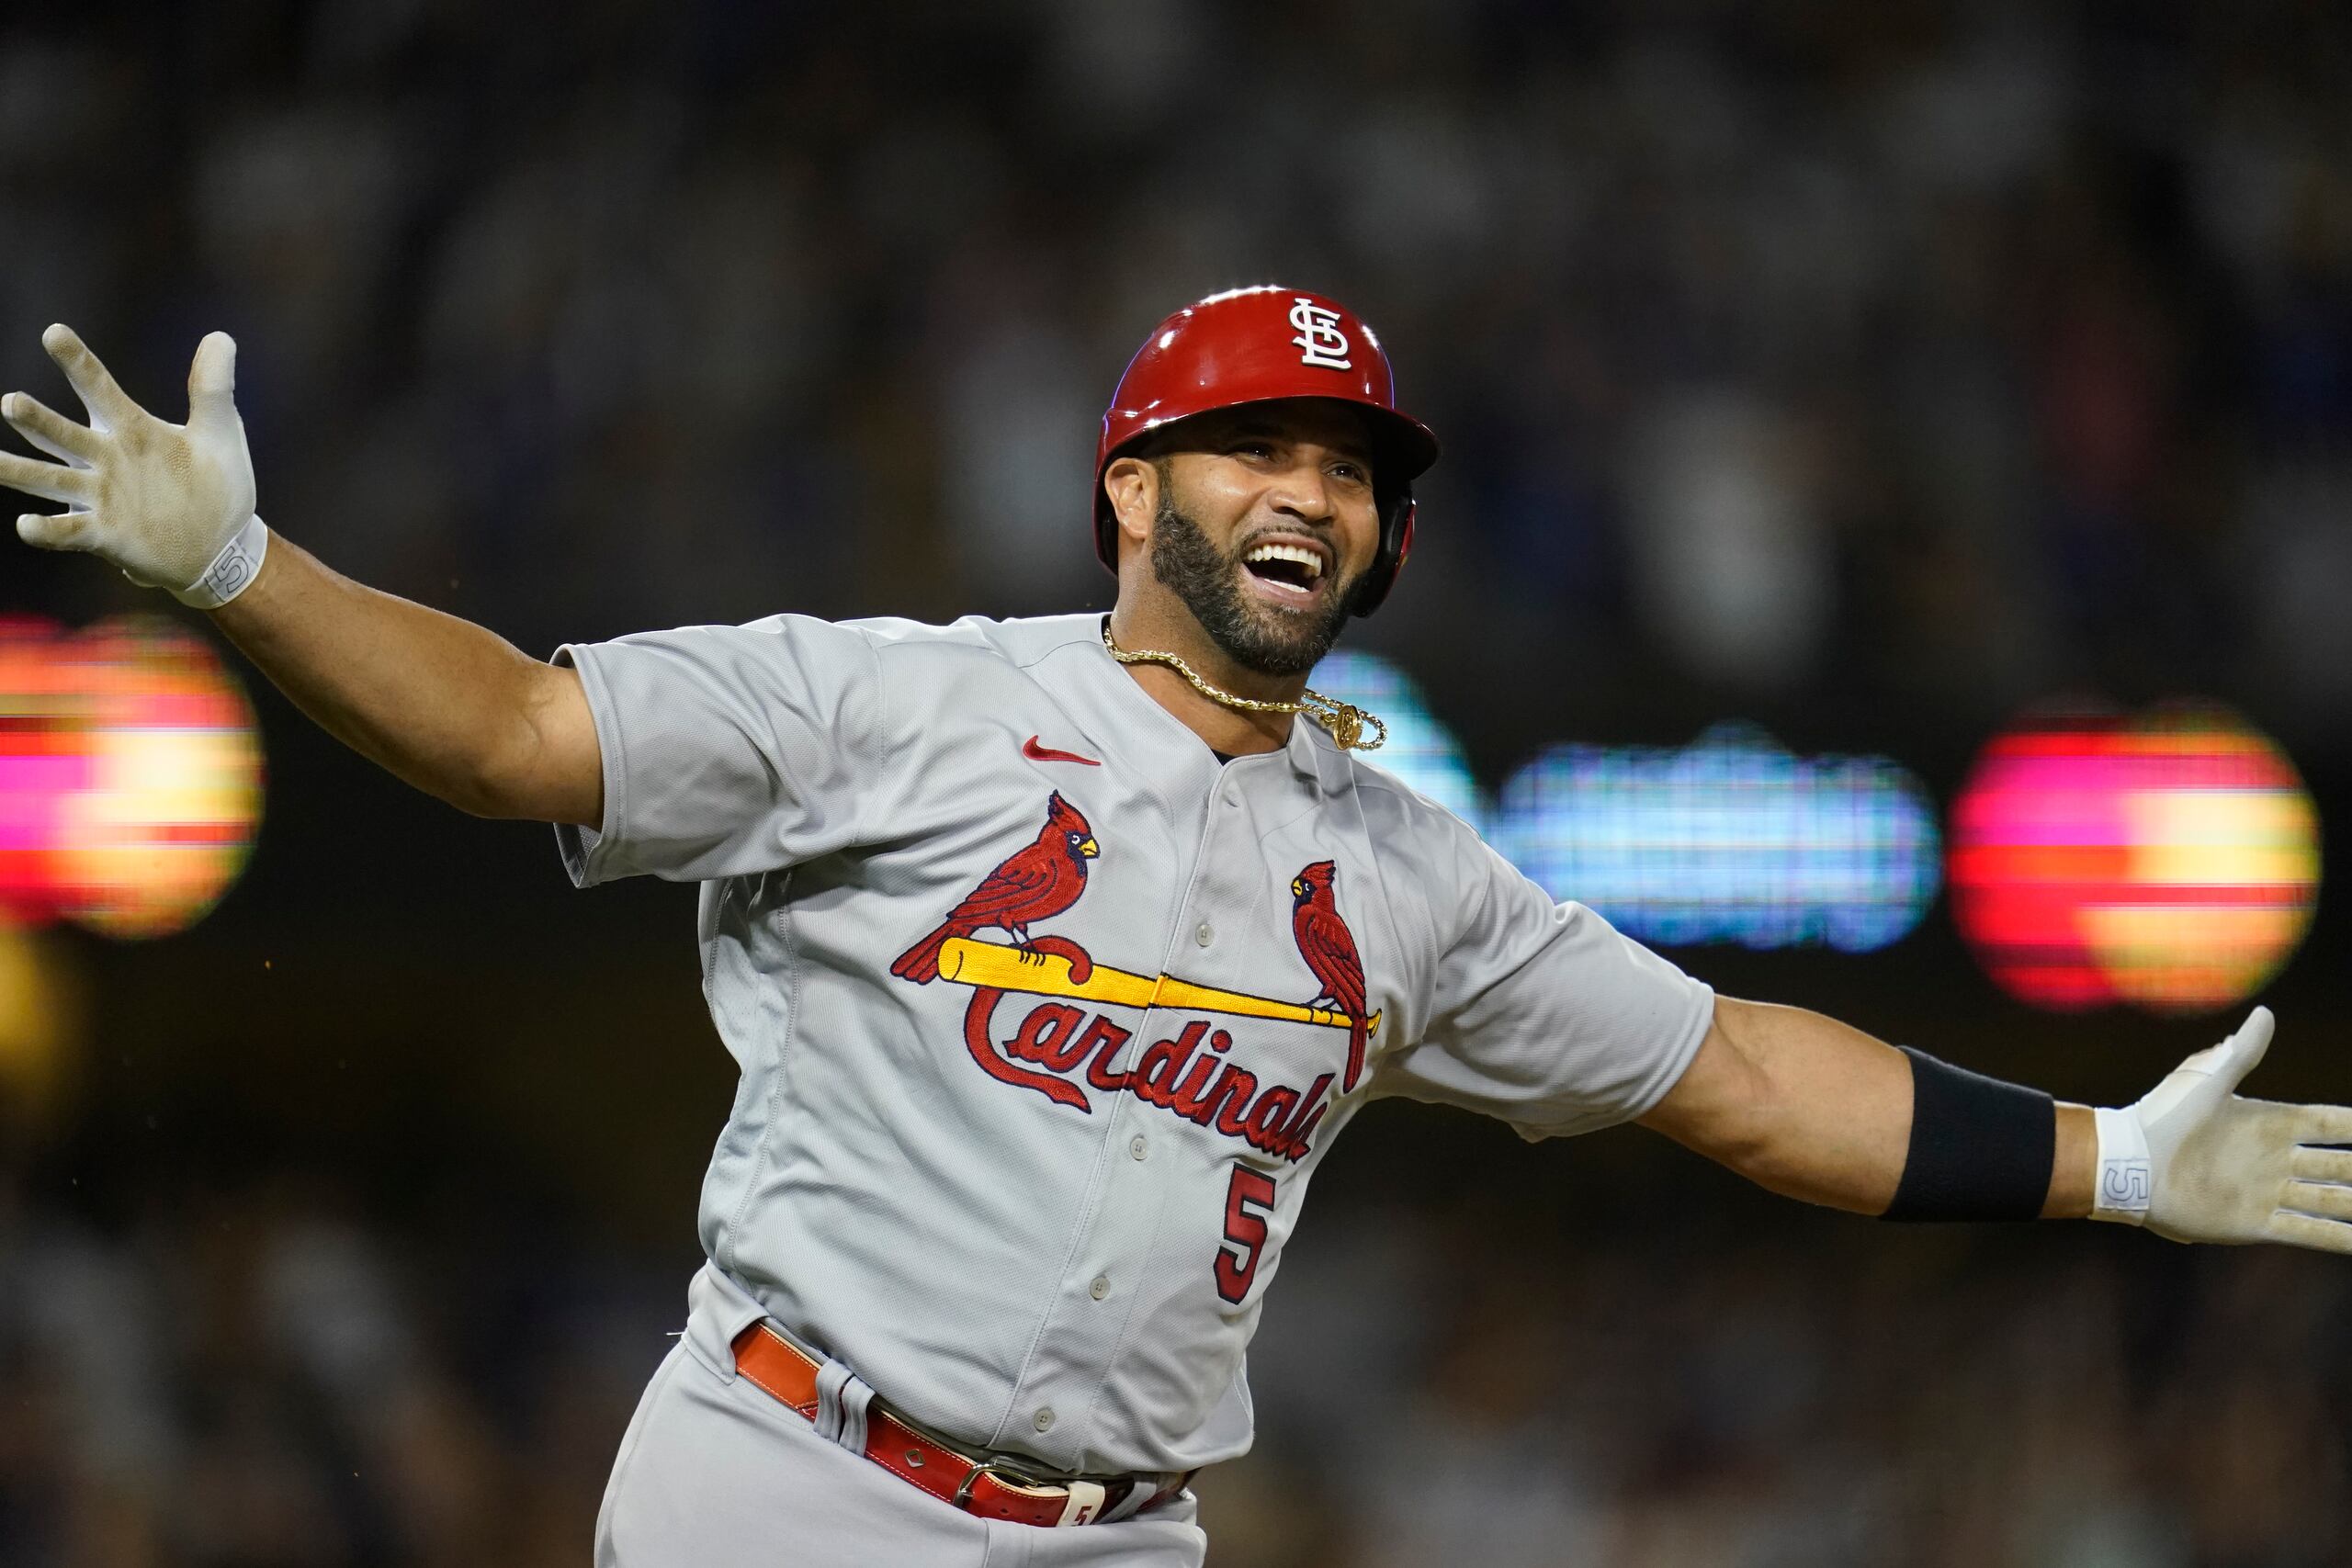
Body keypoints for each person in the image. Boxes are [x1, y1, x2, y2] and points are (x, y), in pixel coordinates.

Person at [4, 286, 2347, 1568]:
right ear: (1130, 483)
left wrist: (2111, 1164)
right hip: (790, 1488)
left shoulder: (1408, 869)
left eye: (1346, 467)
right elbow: (517, 734)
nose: (1307, 488)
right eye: (1253, 445)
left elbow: (1734, 1072)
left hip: (1120, 1544)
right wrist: (239, 573)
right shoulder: (899, 704)